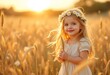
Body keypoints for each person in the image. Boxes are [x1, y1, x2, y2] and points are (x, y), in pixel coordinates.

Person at [49, 7, 94, 75]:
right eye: (66, 24)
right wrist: (61, 58)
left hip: (79, 72)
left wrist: (67, 57)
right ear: (63, 27)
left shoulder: (83, 42)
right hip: (66, 71)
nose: (69, 27)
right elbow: (62, 60)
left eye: (73, 24)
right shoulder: (65, 42)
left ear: (81, 26)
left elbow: (83, 61)